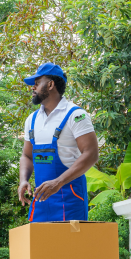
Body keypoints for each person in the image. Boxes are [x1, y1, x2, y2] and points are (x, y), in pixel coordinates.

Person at [18, 63, 99, 222]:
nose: (32, 88)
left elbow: (91, 154)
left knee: (69, 247)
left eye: (37, 83)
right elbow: (27, 156)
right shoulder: (32, 120)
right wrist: (23, 180)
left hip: (70, 199)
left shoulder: (75, 115)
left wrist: (58, 182)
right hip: (41, 200)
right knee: (40, 247)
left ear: (50, 84)